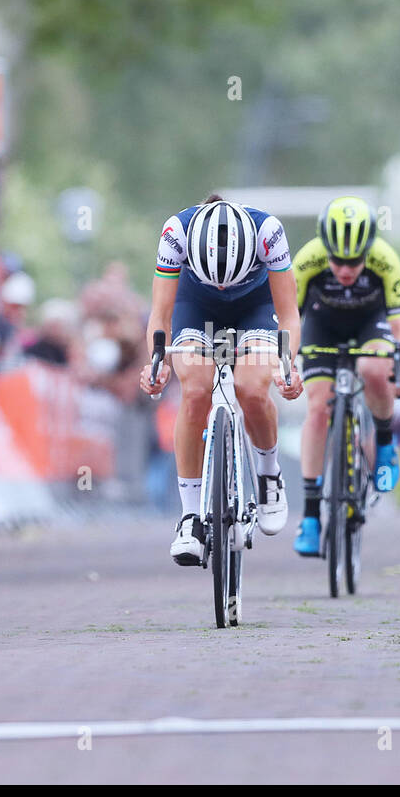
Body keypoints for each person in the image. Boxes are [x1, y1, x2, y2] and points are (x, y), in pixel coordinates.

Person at [139, 195, 303, 564]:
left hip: (256, 308)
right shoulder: (176, 233)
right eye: (217, 281)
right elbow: (161, 315)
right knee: (195, 391)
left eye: (231, 280)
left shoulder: (269, 233)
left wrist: (286, 366)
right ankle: (189, 517)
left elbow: (289, 314)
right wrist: (157, 361)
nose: (224, 288)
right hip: (194, 307)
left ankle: (268, 475)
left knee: (252, 388)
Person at [289, 196, 400, 557]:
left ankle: (385, 443)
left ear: (367, 250)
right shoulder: (307, 259)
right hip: (320, 328)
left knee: (375, 368)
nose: (345, 269)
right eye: (338, 260)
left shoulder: (385, 260)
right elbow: (288, 319)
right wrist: (285, 364)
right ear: (324, 248)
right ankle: (311, 516)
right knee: (317, 410)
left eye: (354, 261)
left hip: (368, 325)